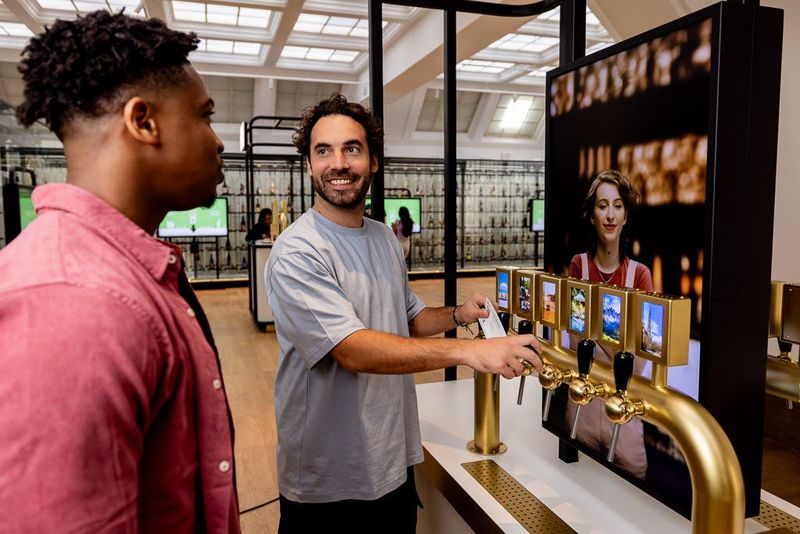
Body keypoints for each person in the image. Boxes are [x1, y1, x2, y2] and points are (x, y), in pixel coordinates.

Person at [0, 12, 240, 533]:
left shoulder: (123, 273)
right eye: (203, 116)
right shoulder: (73, 300)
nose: (218, 141)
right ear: (143, 121)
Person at [265, 94, 542, 532]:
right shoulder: (297, 251)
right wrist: (471, 353)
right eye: (323, 151)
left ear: (373, 160)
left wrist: (459, 314)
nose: (338, 163)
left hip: (391, 462)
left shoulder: (382, 238)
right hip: (330, 482)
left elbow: (407, 317)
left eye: (351, 148)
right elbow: (352, 350)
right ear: (308, 164)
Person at [566, 169, 654, 479]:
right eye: (602, 205)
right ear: (592, 215)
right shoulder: (580, 266)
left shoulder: (639, 275)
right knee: (579, 480)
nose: (610, 214)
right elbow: (574, 338)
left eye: (617, 205)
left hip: (625, 404)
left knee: (633, 478)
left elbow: (642, 359)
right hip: (584, 404)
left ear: (626, 214)